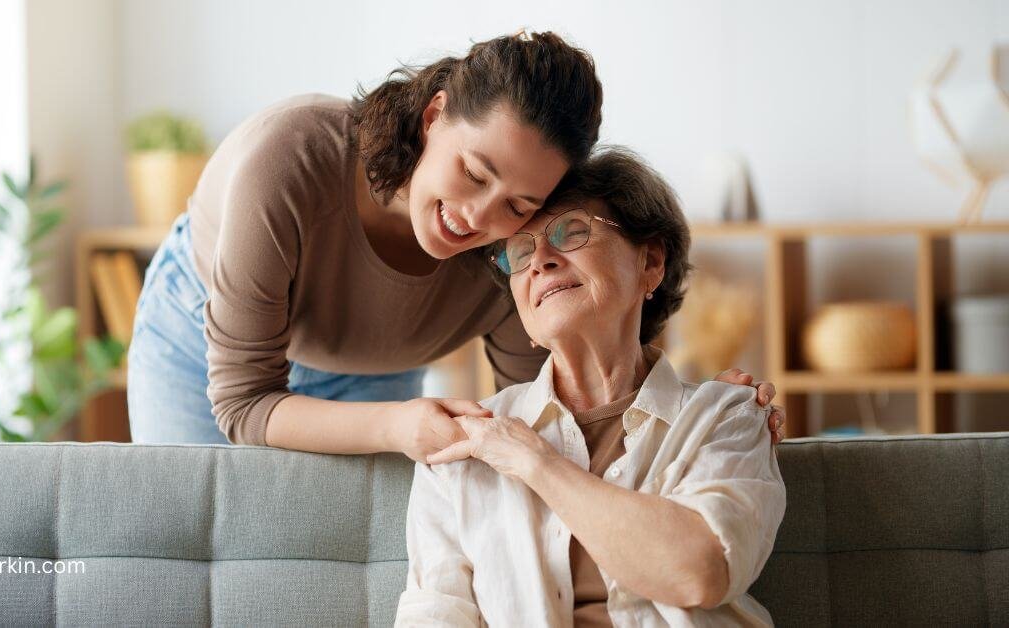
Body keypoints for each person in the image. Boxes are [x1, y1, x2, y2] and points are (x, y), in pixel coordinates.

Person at [126, 30, 786, 461]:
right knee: (188, 553)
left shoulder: (513, 255)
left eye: (519, 205)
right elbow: (243, 403)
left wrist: (703, 415)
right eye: (473, 173)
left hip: (372, 373)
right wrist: (395, 428)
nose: (475, 217)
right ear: (435, 115)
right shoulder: (290, 160)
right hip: (206, 346)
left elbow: (560, 417)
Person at [396, 148, 786, 626]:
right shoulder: (465, 443)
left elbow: (700, 573)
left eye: (571, 231)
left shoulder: (725, 416)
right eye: (519, 251)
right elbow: (435, 613)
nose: (539, 260)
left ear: (651, 262)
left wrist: (535, 461)